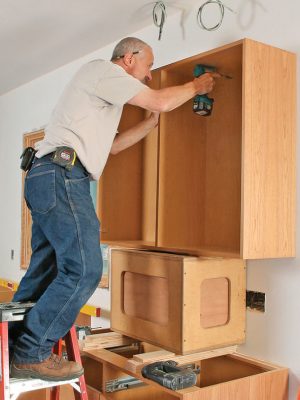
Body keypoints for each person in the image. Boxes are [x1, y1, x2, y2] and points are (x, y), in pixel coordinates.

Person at [10, 37, 218, 381]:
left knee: (45, 272)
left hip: (49, 176)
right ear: (128, 57)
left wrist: (149, 125)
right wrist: (196, 86)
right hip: (62, 176)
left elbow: (113, 149)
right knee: (86, 269)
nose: (150, 75)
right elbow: (161, 101)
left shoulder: (100, 101)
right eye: (149, 65)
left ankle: (13, 344)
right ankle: (31, 353)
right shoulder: (102, 71)